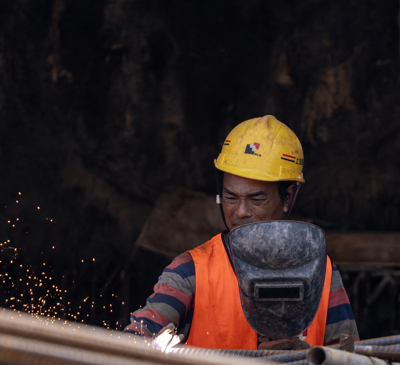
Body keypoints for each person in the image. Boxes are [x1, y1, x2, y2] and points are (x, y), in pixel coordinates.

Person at [124, 115, 358, 349]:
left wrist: (304, 359)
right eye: (230, 197)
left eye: (257, 198)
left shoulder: (322, 273)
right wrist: (133, 341)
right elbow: (143, 332)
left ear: (288, 197)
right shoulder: (191, 271)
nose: (241, 212)